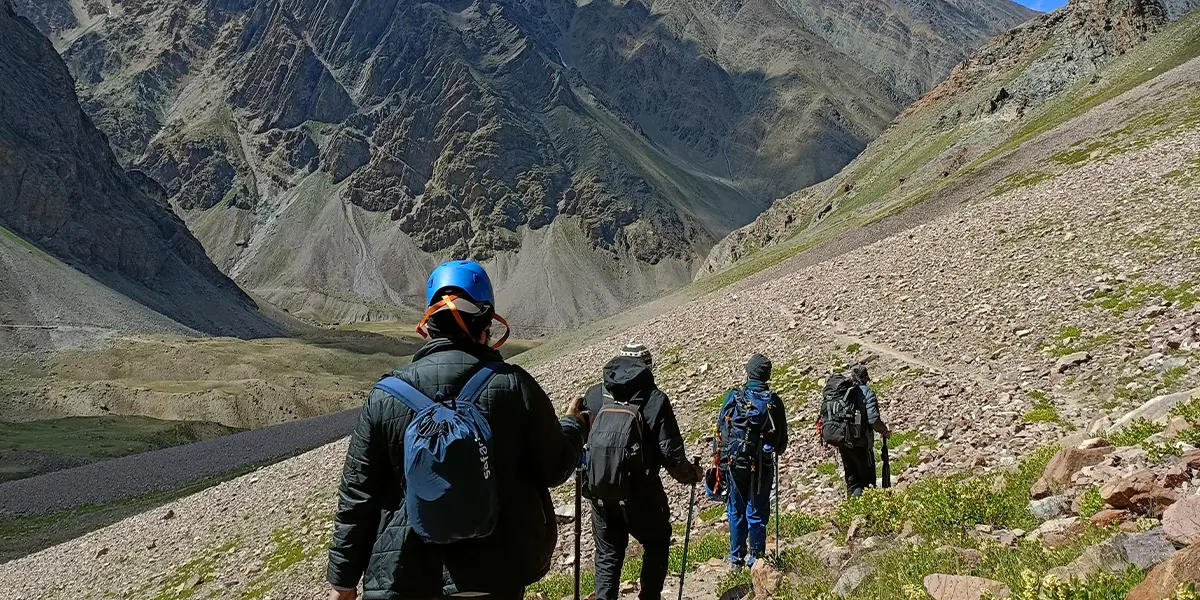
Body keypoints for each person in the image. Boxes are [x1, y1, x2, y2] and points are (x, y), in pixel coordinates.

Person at [325, 260, 591, 600]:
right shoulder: (513, 387)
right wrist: (575, 424)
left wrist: (343, 582)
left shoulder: (384, 396)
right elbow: (556, 466)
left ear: (429, 327)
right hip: (492, 576)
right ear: (487, 327)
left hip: (400, 579)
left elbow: (357, 498)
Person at [582, 342, 703, 600]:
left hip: (601, 494)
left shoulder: (593, 396)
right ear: (646, 366)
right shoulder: (655, 400)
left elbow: (580, 446)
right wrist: (691, 474)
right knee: (657, 541)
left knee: (608, 555)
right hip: (642, 496)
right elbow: (672, 456)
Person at [716, 354, 788, 568]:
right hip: (761, 464)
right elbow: (781, 444)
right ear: (767, 375)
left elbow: (721, 430)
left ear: (748, 373)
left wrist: (720, 461)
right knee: (756, 510)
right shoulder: (773, 401)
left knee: (736, 509)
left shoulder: (733, 396)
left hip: (734, 462)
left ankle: (736, 559)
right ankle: (757, 560)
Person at [839, 363, 888, 498]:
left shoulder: (843, 391)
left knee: (852, 481)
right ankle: (866, 515)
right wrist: (885, 431)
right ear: (865, 377)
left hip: (844, 444)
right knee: (867, 482)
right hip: (861, 445)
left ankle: (852, 513)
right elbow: (873, 420)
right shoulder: (867, 392)